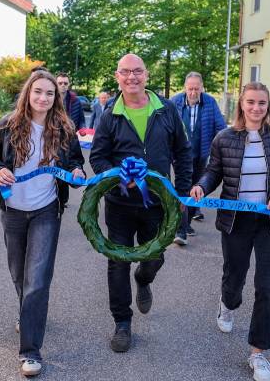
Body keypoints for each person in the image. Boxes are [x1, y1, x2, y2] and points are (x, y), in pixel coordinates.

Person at [0, 70, 85, 377]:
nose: (43, 98)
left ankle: (30, 351)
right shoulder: (6, 125)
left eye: (50, 94)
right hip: (13, 210)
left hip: (46, 210)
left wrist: (77, 173)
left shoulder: (64, 129)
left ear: (56, 98)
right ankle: (28, 312)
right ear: (28, 93)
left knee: (37, 279)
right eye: (38, 91)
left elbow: (75, 162)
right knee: (18, 274)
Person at [190, 82, 270, 381]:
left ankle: (258, 353)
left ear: (268, 106)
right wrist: (201, 185)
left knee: (268, 286)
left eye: (262, 103)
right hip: (236, 221)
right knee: (234, 277)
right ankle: (228, 304)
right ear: (241, 104)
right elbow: (214, 171)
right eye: (250, 102)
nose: (256, 108)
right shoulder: (224, 138)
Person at [90, 54, 192, 353]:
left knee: (154, 257)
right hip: (119, 204)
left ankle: (144, 278)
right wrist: (118, 177)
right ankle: (122, 322)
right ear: (117, 76)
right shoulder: (110, 113)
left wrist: (182, 193)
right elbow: (98, 156)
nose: (132, 77)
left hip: (158, 204)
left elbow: (183, 154)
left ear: (146, 75)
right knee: (117, 261)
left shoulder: (167, 109)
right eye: (126, 72)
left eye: (137, 71)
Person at [170, 72, 227, 245]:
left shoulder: (209, 102)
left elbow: (220, 127)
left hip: (202, 154)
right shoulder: (175, 102)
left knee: (196, 187)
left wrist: (222, 149)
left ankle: (189, 219)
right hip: (180, 156)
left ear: (202, 88)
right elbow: (167, 126)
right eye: (190, 89)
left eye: (196, 89)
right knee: (183, 187)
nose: (193, 92)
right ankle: (181, 230)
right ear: (185, 87)